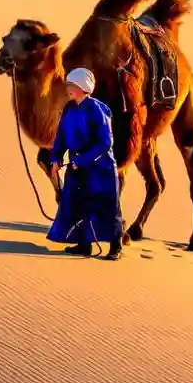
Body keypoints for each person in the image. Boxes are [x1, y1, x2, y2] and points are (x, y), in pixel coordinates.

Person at [46, 67, 125, 259]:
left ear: (83, 87)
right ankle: (84, 245)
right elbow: (61, 136)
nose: (68, 89)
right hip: (76, 166)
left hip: (100, 168)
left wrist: (83, 160)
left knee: (107, 206)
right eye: (68, 85)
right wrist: (56, 158)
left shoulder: (97, 109)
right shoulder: (69, 108)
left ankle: (116, 247)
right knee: (77, 204)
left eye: (72, 85)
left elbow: (105, 142)